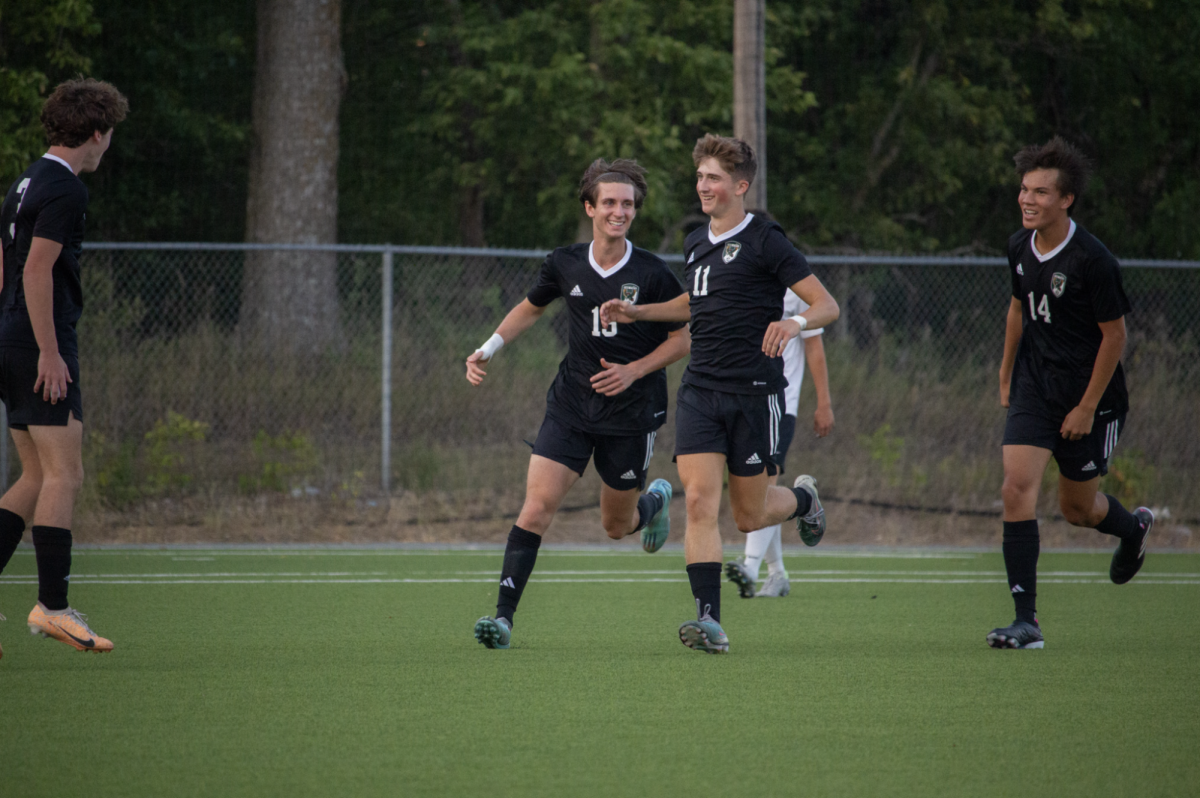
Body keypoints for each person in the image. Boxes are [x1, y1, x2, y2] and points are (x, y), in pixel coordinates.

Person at [601, 134, 839, 653]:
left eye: (713, 178)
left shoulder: (766, 239)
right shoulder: (695, 243)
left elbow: (826, 305)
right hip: (700, 391)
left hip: (755, 395)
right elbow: (697, 301)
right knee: (702, 503)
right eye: (700, 177)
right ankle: (709, 620)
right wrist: (639, 311)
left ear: (740, 185)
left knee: (749, 515)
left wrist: (795, 323)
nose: (703, 186)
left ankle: (803, 499)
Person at [467, 158, 689, 650]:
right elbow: (531, 306)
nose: (619, 211)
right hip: (571, 404)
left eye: (627, 204)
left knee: (615, 526)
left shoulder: (652, 272)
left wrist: (633, 370)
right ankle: (502, 620)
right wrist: (489, 348)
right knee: (537, 507)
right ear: (590, 207)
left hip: (632, 414)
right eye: (609, 202)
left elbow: (684, 337)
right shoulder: (564, 261)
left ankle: (652, 503)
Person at [989, 136, 1154, 650]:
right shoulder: (1019, 245)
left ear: (1066, 200)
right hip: (1036, 387)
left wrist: (1086, 406)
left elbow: (1116, 336)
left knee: (1078, 510)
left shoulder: (1092, 260)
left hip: (1092, 398)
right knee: (1016, 488)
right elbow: (1018, 308)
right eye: (1023, 189)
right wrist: (1005, 373)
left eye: (1040, 192)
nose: (1027, 199)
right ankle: (1026, 622)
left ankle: (1132, 531)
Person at [0, 78, 128, 658]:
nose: (108, 147)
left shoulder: (27, 179)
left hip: (11, 340)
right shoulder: (66, 190)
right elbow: (35, 272)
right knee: (64, 476)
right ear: (96, 133)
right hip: (39, 346)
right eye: (110, 136)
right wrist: (49, 353)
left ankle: (49, 603)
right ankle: (53, 607)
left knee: (32, 477)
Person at [724, 284, 833, 599]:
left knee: (765, 479)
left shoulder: (796, 286)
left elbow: (813, 347)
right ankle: (777, 573)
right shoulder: (739, 277)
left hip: (781, 402)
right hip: (742, 400)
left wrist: (824, 403)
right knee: (753, 488)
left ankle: (750, 565)